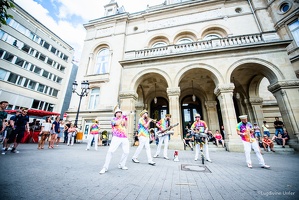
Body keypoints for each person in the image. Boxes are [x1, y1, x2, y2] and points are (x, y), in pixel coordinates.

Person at [100, 108, 130, 174]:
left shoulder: (122, 118)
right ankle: (105, 167)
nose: (120, 113)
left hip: (124, 137)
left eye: (120, 112)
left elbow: (126, 126)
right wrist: (123, 116)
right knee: (110, 151)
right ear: (115, 114)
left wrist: (126, 118)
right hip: (116, 137)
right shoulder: (113, 119)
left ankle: (122, 164)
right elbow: (117, 123)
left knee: (126, 152)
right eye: (118, 112)